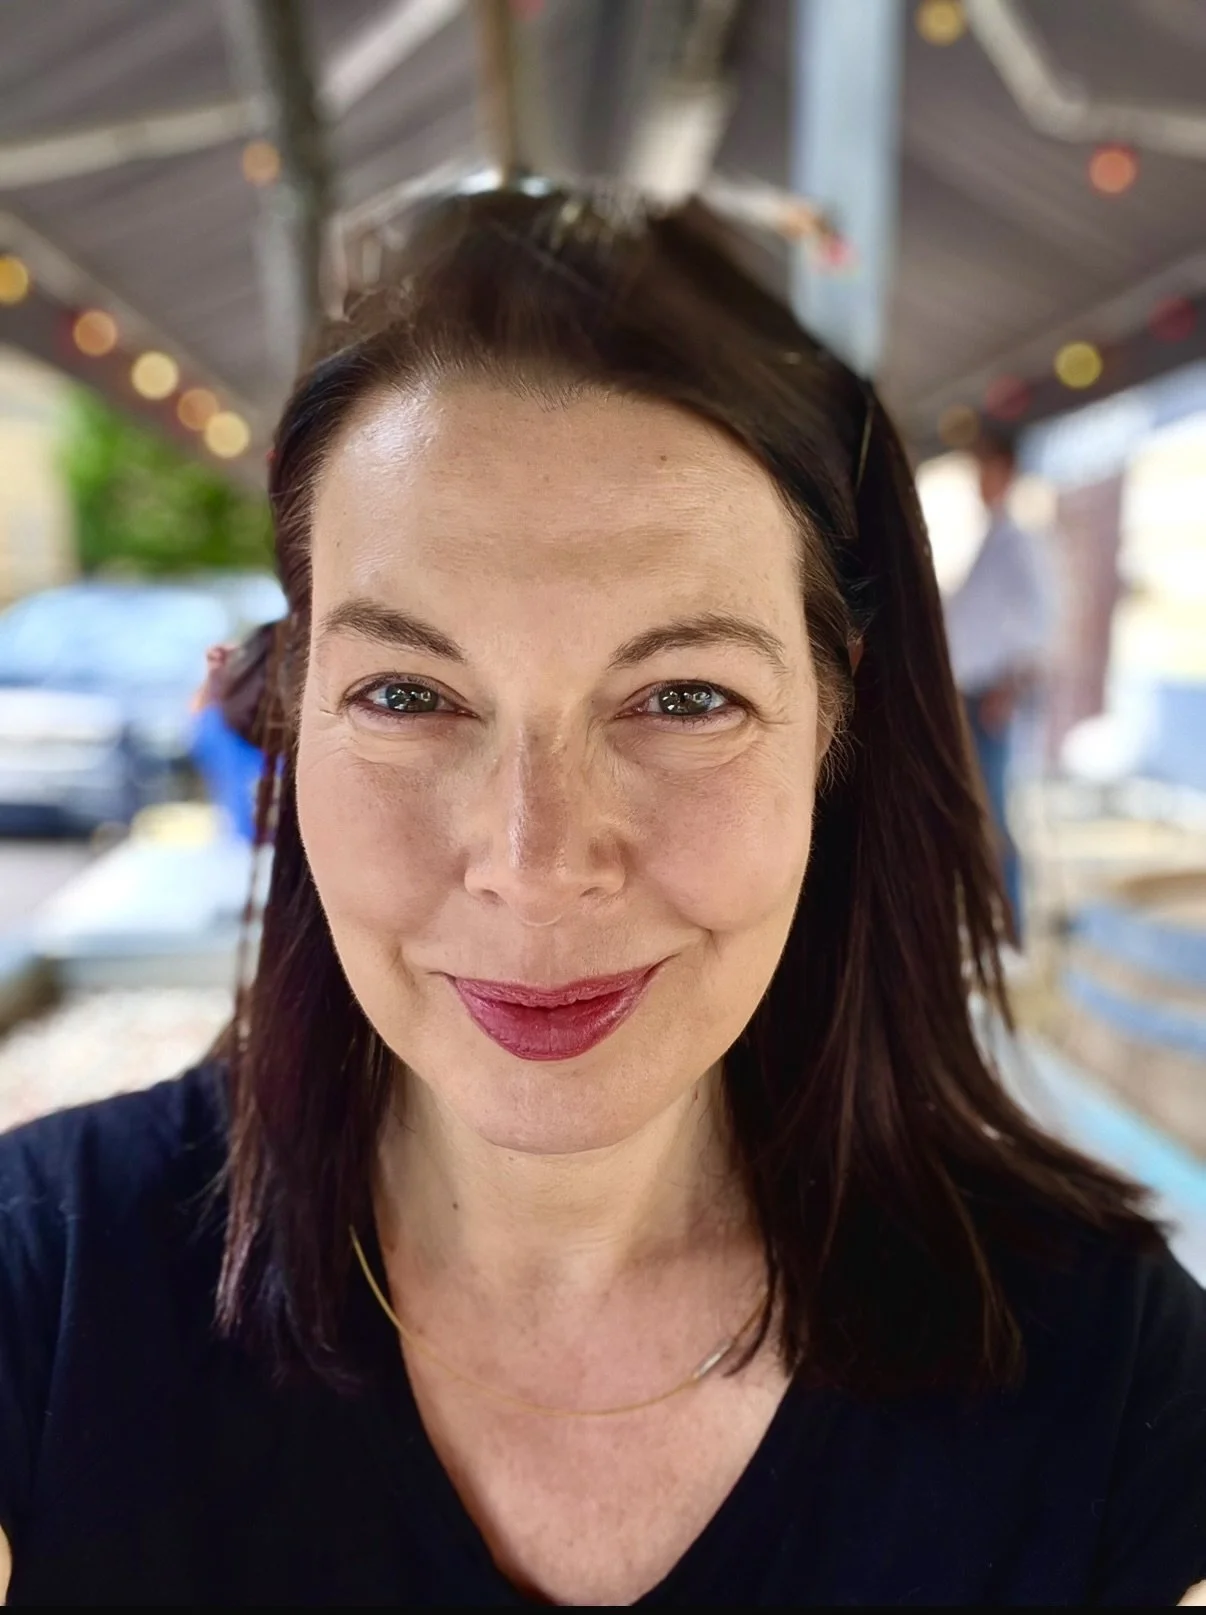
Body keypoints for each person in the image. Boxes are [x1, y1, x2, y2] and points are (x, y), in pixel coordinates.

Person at [0, 183, 1203, 1608]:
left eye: (683, 696)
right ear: (295, 708)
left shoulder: (1112, 1386)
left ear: (838, 728)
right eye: (407, 693)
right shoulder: (44, 1291)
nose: (534, 860)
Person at [943, 429, 1056, 945]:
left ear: (1006, 472)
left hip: (991, 694)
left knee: (994, 809)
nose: (979, 481)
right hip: (970, 689)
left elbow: (1039, 620)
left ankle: (1011, 926)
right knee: (974, 805)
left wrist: (1008, 688)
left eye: (986, 470)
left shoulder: (1018, 541)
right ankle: (987, 917)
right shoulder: (992, 538)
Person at [188, 622, 277, 842]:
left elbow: (199, 715)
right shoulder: (221, 732)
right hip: (247, 848)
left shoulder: (217, 727)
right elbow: (200, 717)